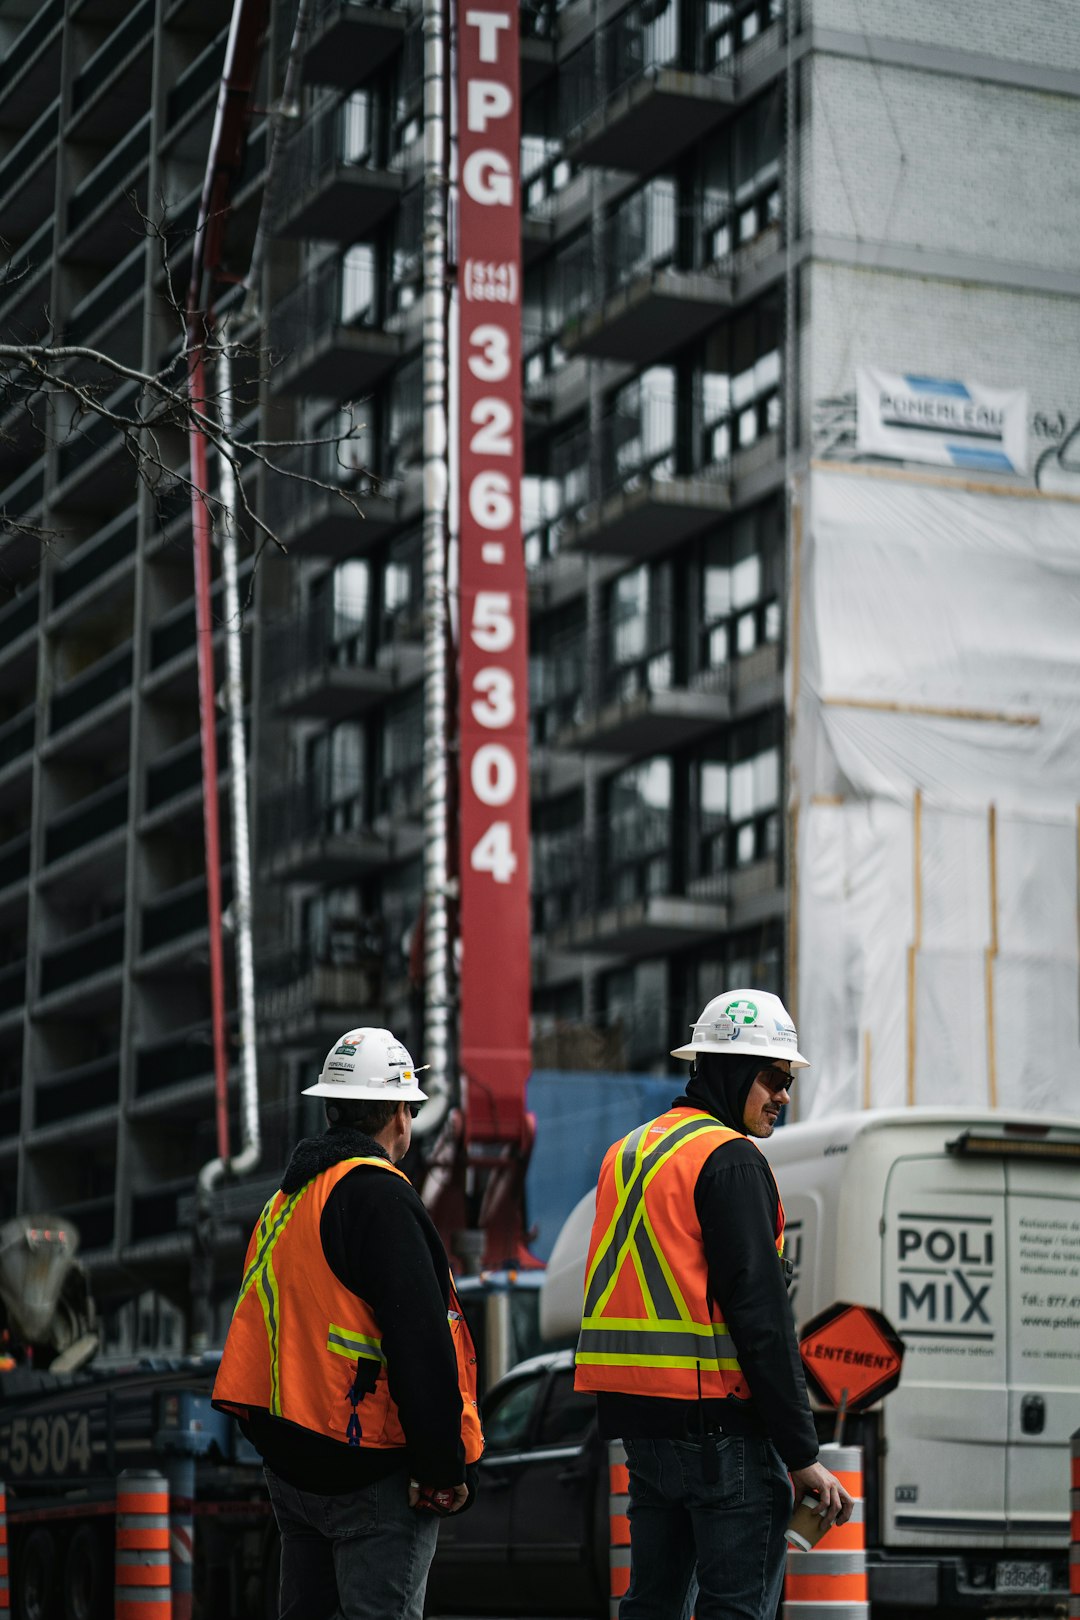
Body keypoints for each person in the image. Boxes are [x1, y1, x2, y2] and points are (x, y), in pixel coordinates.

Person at [574, 989, 853, 1620]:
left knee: (653, 1604)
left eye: (788, 1081)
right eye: (773, 1078)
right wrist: (804, 1456)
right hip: (720, 1433)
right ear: (729, 1072)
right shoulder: (730, 1162)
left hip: (643, 1430)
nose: (784, 1095)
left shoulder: (628, 1153)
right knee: (736, 1607)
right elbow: (761, 1322)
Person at [213, 1027, 483, 1620]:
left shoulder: (287, 1200)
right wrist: (442, 1468)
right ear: (397, 1113)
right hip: (370, 1474)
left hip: (293, 1466)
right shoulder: (380, 1198)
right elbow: (420, 1341)